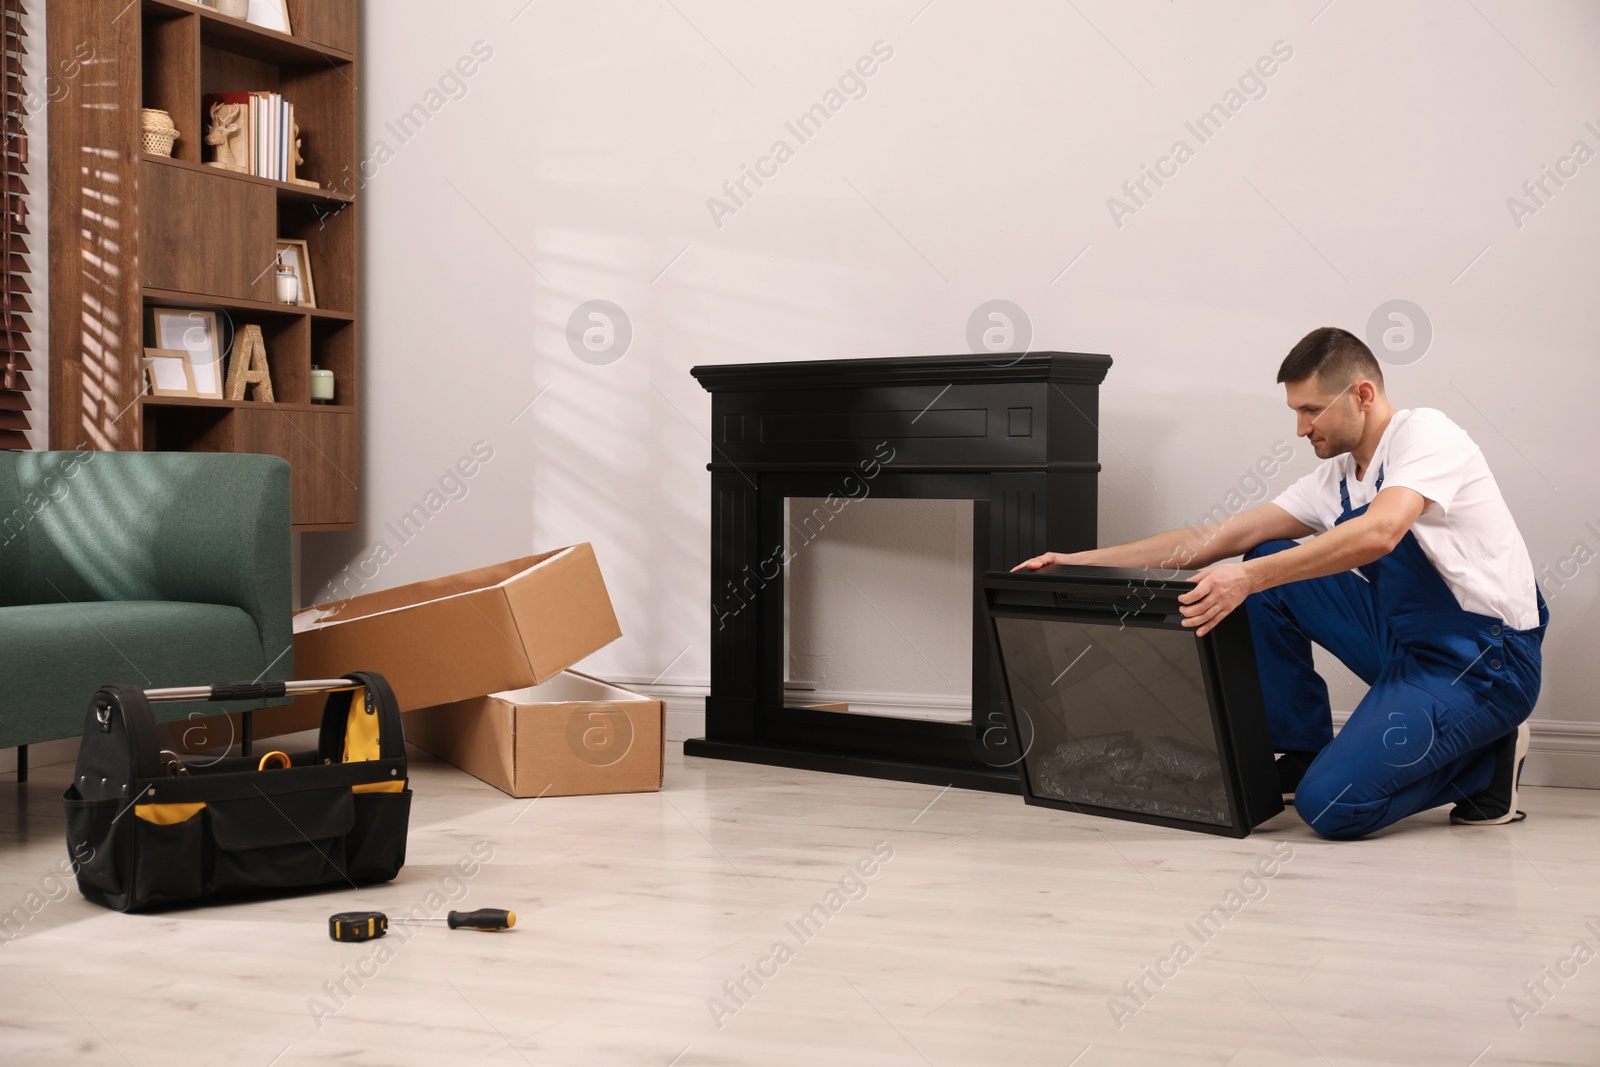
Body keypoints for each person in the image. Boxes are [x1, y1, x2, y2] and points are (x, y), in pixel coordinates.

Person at [1013, 327, 1547, 839]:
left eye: (1311, 409)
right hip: (1410, 644)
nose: (1300, 428)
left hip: (1485, 660)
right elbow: (1213, 537)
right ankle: (1302, 747)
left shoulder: (1427, 435)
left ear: (1362, 394)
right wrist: (1082, 562)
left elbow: (1381, 532)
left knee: (1332, 807)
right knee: (1265, 556)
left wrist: (1245, 577)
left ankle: (1487, 762)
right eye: (1296, 411)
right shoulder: (1336, 479)